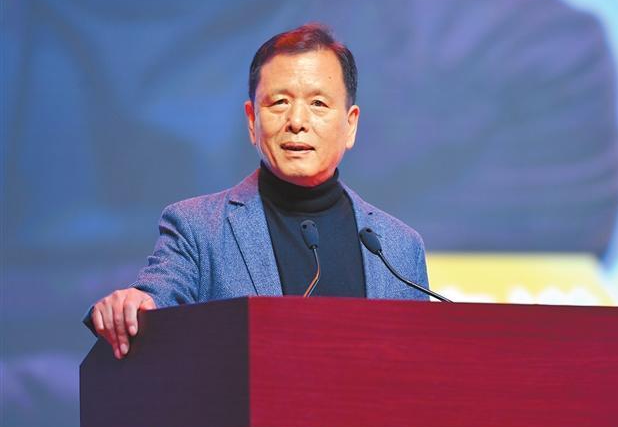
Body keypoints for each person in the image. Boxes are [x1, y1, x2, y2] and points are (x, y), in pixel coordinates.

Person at [86, 24, 430, 360]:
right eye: (279, 102)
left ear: (350, 124)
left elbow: (422, 368)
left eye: (318, 103)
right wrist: (132, 304)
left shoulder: (398, 247)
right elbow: (156, 296)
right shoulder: (198, 228)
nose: (297, 121)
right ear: (252, 121)